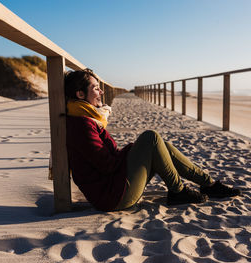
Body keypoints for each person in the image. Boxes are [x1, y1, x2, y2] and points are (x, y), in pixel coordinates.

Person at [65, 69, 241, 212]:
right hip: (113, 198)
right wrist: (134, 149)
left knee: (162, 145)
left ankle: (209, 184)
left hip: (115, 187)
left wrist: (134, 151)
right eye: (96, 88)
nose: (102, 91)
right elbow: (107, 165)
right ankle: (178, 191)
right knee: (151, 137)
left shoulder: (86, 119)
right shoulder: (82, 125)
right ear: (80, 94)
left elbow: (109, 162)